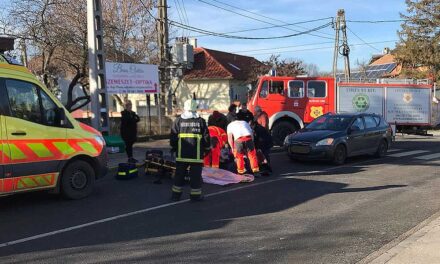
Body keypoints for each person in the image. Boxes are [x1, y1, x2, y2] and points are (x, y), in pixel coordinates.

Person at [170, 99, 210, 202]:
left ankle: (175, 196)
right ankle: (195, 196)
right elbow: (206, 137)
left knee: (179, 175)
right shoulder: (200, 121)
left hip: (181, 155)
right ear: (195, 108)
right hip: (196, 156)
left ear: (185, 107)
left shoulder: (178, 120)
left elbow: (173, 137)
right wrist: (207, 148)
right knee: (195, 177)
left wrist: (174, 148)